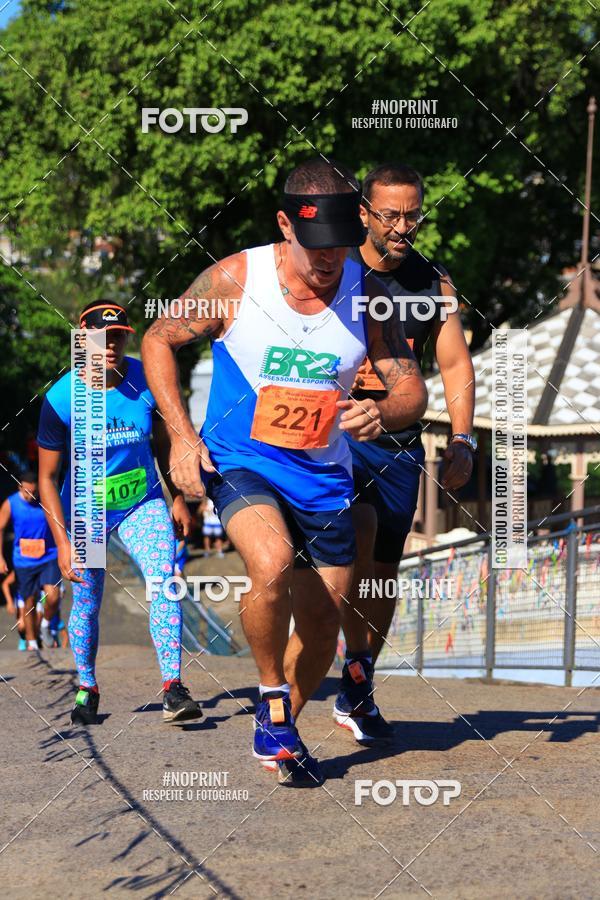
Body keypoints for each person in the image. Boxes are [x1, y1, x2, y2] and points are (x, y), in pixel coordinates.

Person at [142, 157, 427, 786]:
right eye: (315, 248)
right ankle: (271, 695)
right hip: (245, 461)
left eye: (341, 247)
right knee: (269, 562)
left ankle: (279, 725)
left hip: (325, 477)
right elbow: (158, 339)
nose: (329, 263)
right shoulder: (235, 280)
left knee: (324, 621)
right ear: (284, 226)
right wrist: (183, 439)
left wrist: (382, 411)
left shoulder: (369, 296)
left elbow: (413, 392)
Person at [334, 162, 476, 745]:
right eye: (389, 214)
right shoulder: (333, 265)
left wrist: (463, 441)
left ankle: (358, 678)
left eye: (411, 214)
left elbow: (455, 364)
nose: (401, 225)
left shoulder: (431, 281)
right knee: (353, 539)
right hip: (335, 432)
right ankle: (293, 682)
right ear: (365, 213)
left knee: (384, 573)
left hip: (397, 441)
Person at [37, 301, 203, 726]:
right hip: (87, 509)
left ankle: (173, 687)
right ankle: (87, 687)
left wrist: (178, 496)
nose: (110, 346)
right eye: (99, 338)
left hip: (141, 501)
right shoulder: (61, 398)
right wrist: (61, 543)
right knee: (87, 601)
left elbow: (165, 442)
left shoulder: (147, 378)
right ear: (82, 340)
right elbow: (47, 478)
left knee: (165, 581)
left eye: (118, 337)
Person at [0, 471, 61, 650]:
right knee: (28, 602)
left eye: (33, 493)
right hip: (24, 561)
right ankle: (32, 642)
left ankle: (45, 626)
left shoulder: (46, 499)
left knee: (53, 595)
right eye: (26, 492)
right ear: (20, 487)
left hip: (48, 555)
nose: (30, 496)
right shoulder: (10, 503)